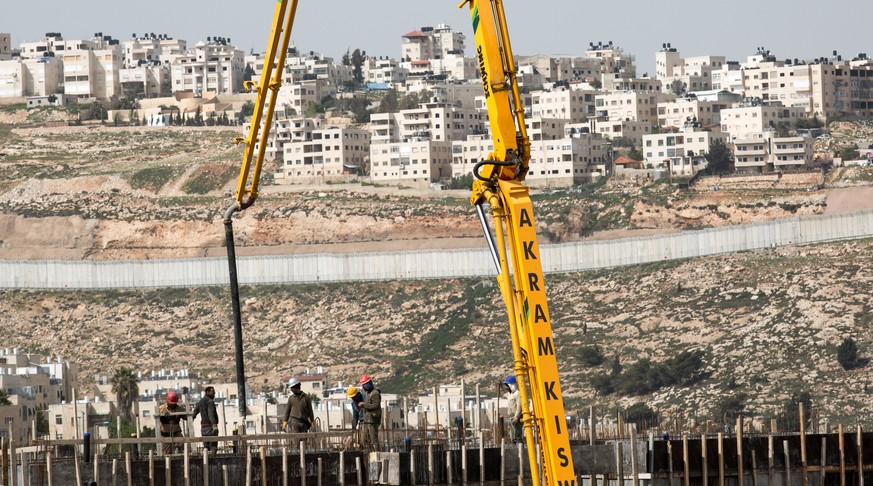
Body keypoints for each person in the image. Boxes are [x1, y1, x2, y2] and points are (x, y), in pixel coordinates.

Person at [357, 374, 382, 451]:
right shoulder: (368, 393)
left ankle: (376, 454)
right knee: (365, 440)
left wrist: (364, 405)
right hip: (367, 420)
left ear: (368, 384)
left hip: (373, 420)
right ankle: (367, 453)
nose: (363, 387)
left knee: (374, 440)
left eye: (364, 385)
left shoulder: (375, 393)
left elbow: (375, 405)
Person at [191, 386, 219, 452]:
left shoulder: (201, 401)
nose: (214, 393)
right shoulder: (210, 402)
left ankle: (206, 461)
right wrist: (214, 425)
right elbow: (211, 414)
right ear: (207, 392)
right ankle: (213, 461)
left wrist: (191, 418)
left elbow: (195, 411)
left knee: (206, 448)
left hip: (203, 428)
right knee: (213, 447)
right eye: (212, 392)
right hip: (210, 427)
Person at [504, 375, 523, 444]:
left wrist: (516, 418)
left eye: (507, 385)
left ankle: (520, 449)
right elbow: (503, 395)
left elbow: (519, 407)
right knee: (512, 436)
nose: (506, 387)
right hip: (512, 417)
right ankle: (515, 446)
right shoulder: (510, 394)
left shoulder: (517, 394)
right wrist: (500, 387)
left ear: (511, 385)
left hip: (517, 417)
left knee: (517, 435)